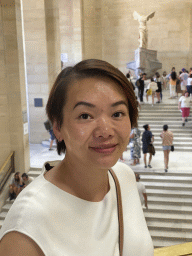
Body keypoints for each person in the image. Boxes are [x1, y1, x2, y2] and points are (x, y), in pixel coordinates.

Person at [0, 59, 153, 256]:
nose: (105, 131)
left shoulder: (123, 177)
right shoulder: (26, 227)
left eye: (117, 113)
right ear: (57, 127)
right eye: (85, 116)